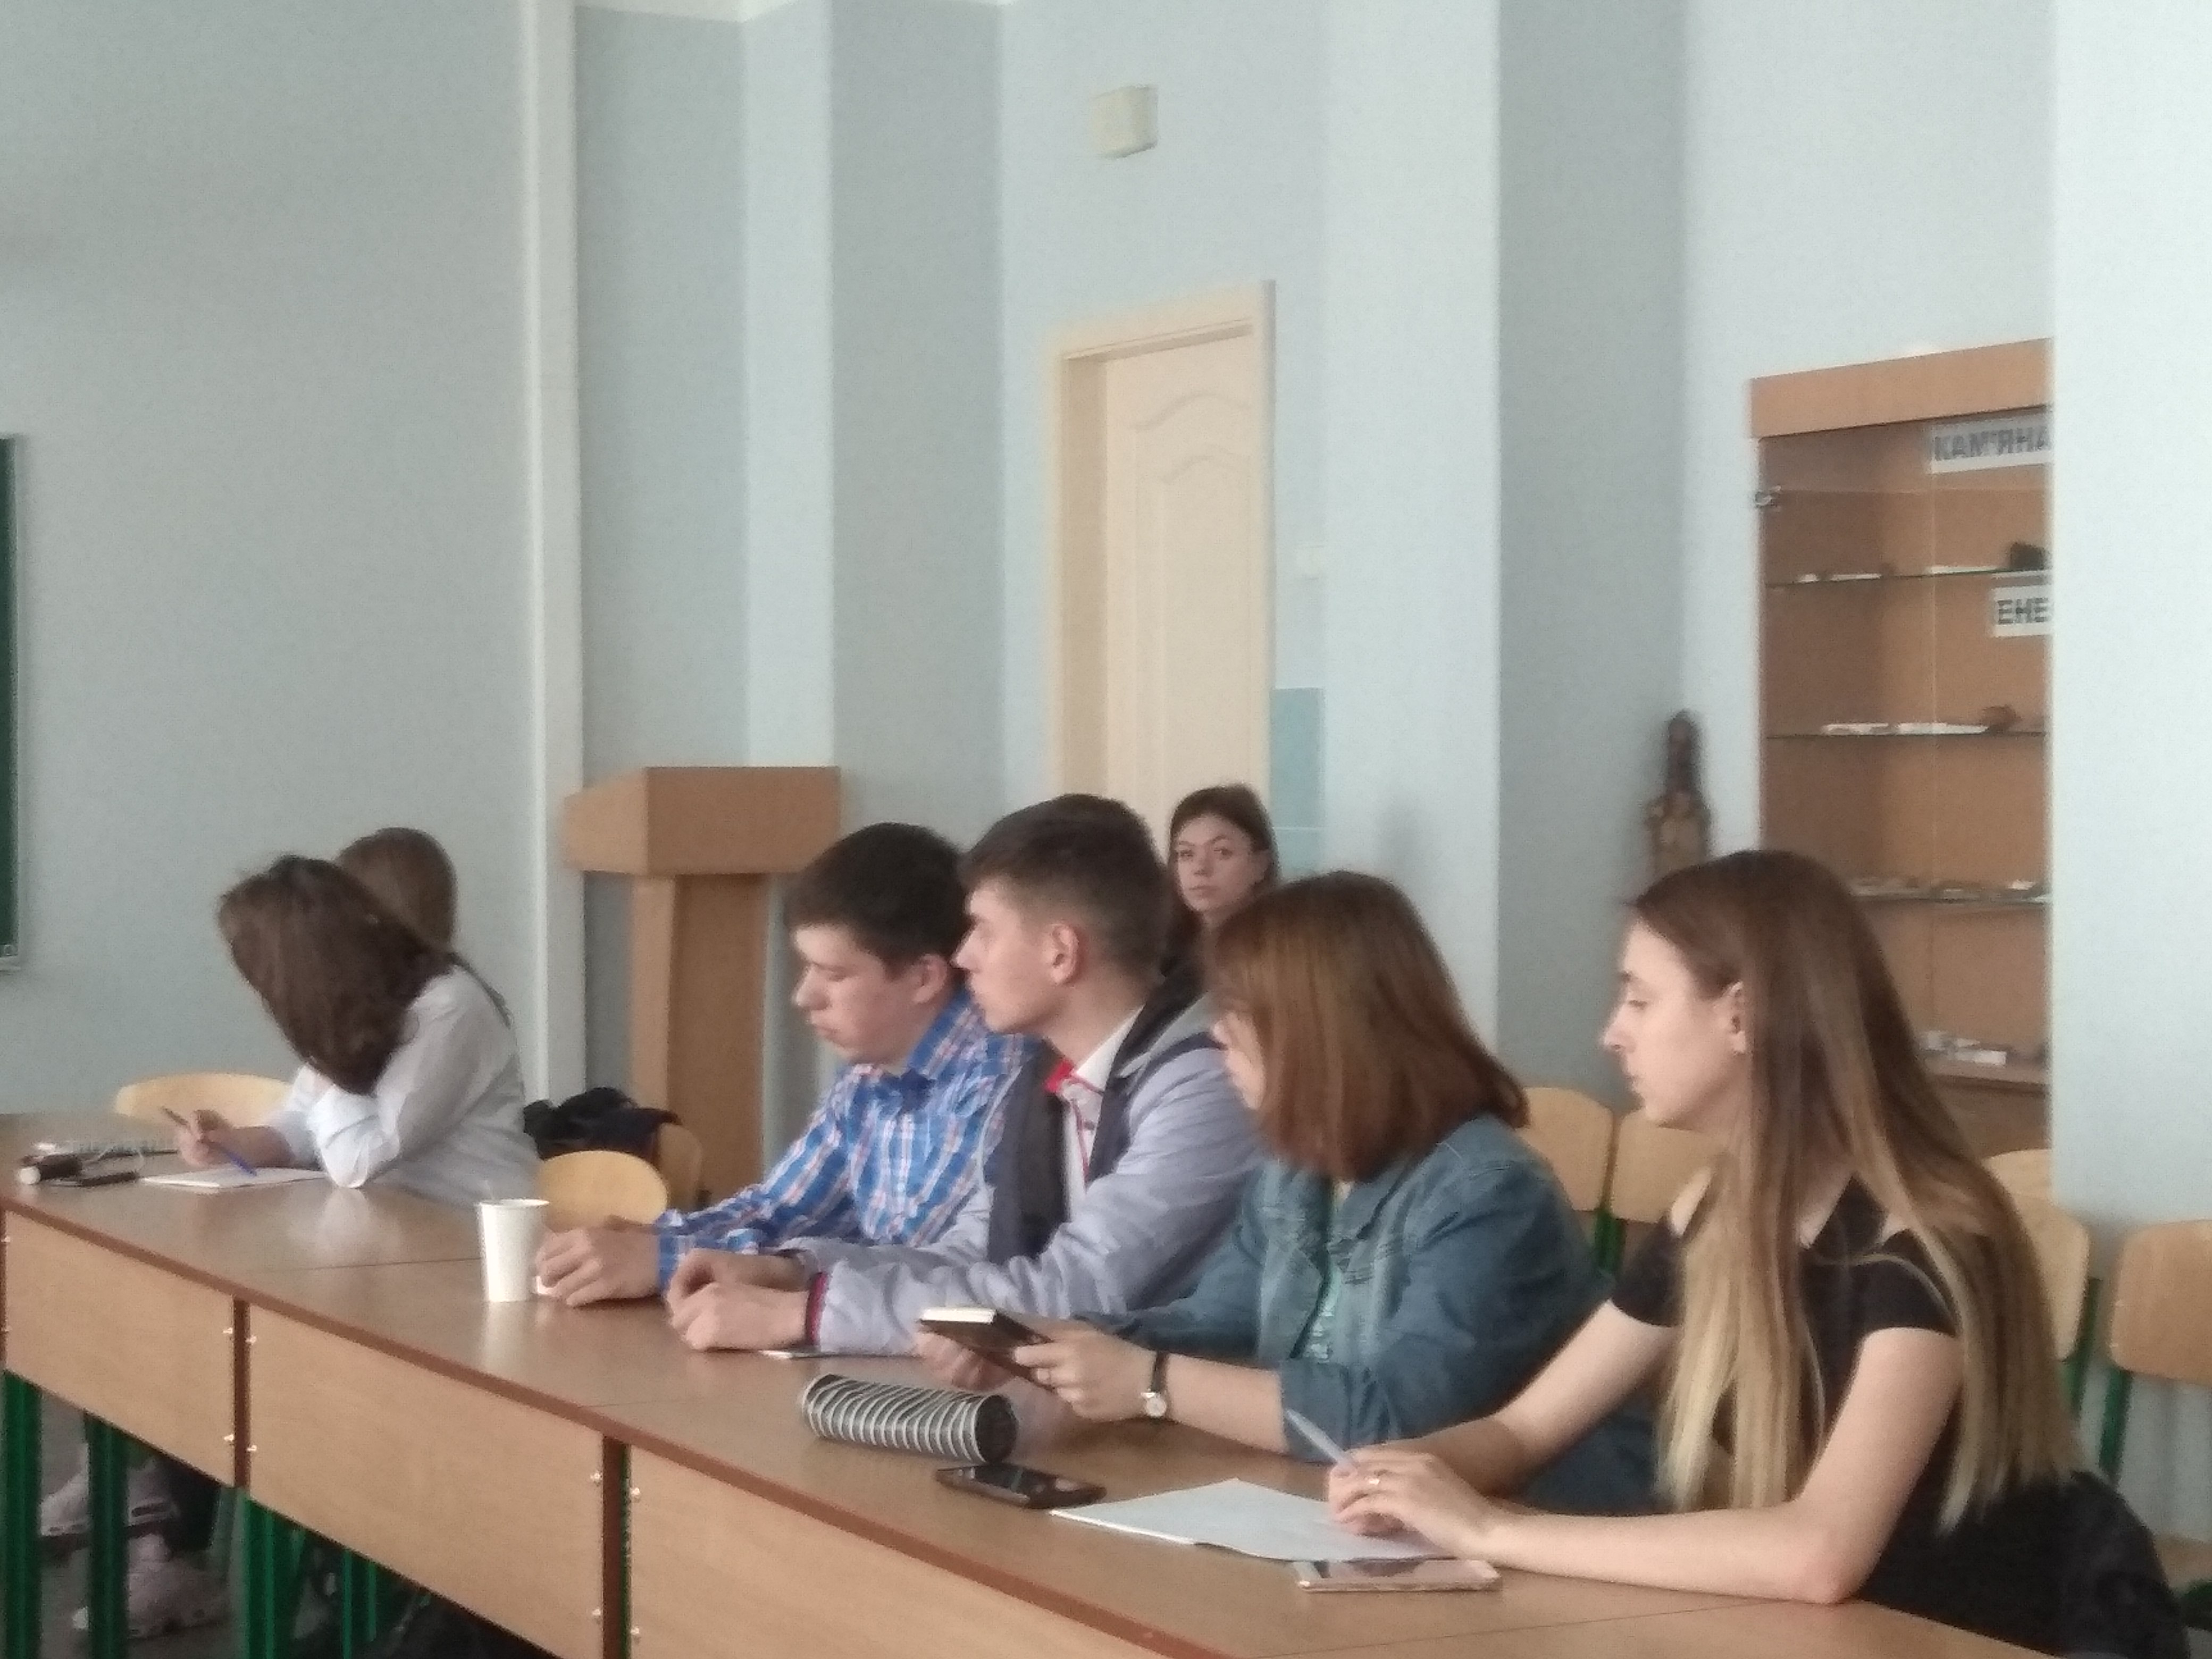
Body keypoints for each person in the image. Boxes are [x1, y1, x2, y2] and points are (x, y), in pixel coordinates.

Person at [1325, 851, 2126, 1654]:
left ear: (1742, 1016)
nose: (1611, 1034)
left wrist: (1490, 1530)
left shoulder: (1932, 1238)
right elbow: (1526, 1429)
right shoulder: (1714, 1211)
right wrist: (1404, 1470)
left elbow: (1820, 1553)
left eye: (1640, 999)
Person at [992, 873, 1652, 1512]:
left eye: (1237, 1013)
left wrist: (1150, 1381)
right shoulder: (1293, 1173)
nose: (1216, 1033)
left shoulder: (1489, 1193)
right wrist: (1056, 1344)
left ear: (1316, 1033)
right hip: (1341, 1510)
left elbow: (1401, 1417)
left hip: (1534, 1526)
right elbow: (1213, 1326)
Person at [658, 794, 1260, 1355]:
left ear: (1061, 951)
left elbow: (1074, 1291)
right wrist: (796, 1271)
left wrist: (809, 1315)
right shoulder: (1046, 1073)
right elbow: (974, 1251)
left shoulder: (1204, 1084)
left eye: (983, 931)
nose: (963, 955)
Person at [533, 823, 1031, 1305]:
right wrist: (652, 1238)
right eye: (806, 967)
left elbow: (910, 1264)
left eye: (832, 974)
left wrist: (666, 1261)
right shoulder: (867, 1076)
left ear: (924, 978)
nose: (803, 997)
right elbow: (780, 1210)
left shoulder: (997, 1077)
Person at [177, 856, 534, 1207]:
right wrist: (232, 1146)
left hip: (469, 1225)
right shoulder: (364, 1001)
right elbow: (303, 1120)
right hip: (390, 1220)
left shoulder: (448, 1009)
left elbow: (356, 1161)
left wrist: (332, 1052)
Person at [1163, 783, 1276, 970]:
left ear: (1260, 864)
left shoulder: (1283, 955)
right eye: (1186, 854)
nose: (1200, 868)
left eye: (1222, 852)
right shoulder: (1161, 958)